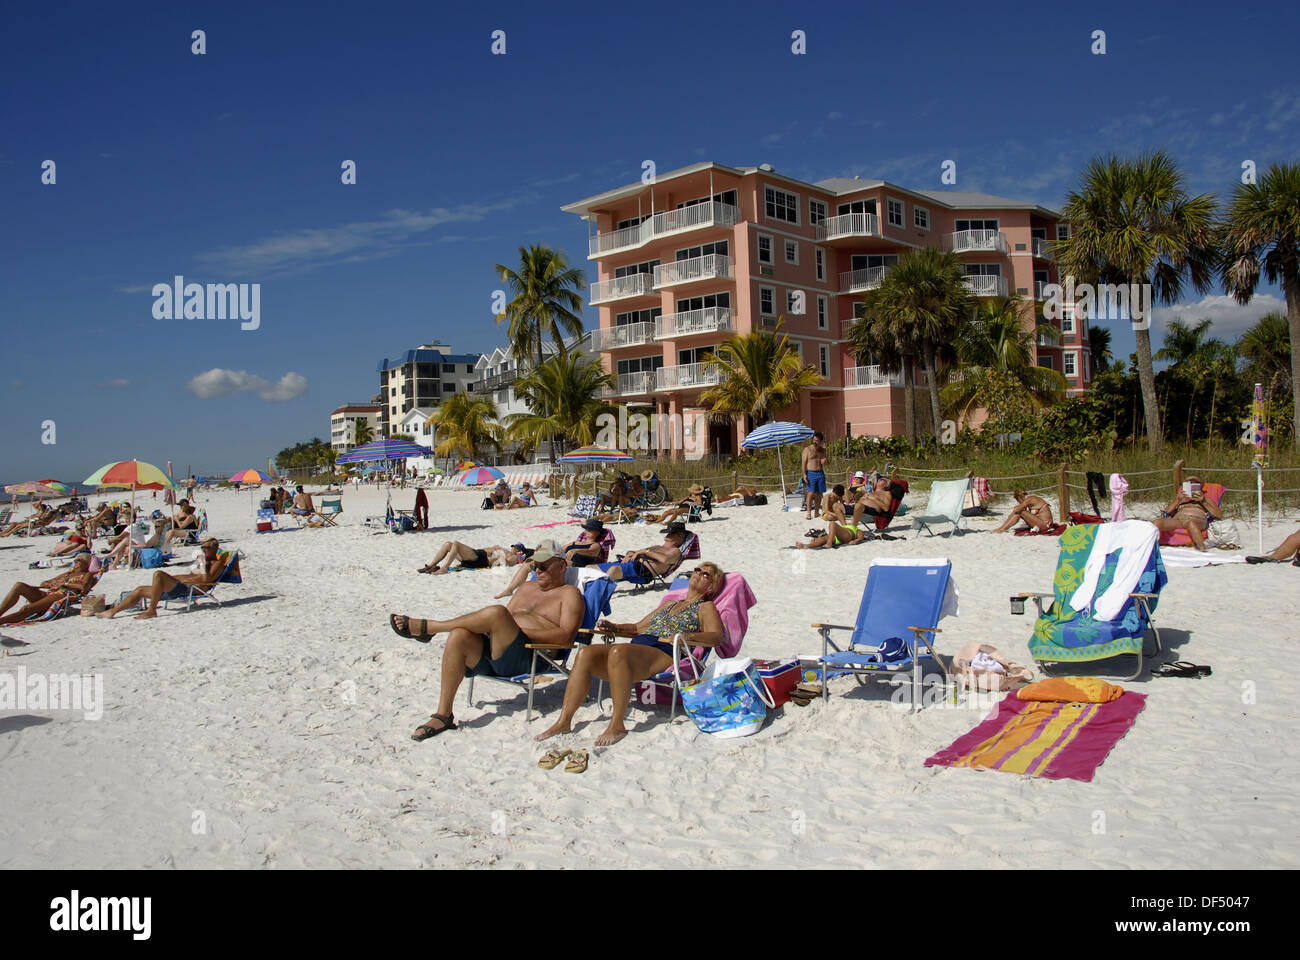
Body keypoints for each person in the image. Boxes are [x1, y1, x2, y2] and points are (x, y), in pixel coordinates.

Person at [390, 540, 585, 740]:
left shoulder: (569, 594)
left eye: (544, 566)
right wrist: (506, 629)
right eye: (535, 566)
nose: (538, 571)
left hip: (529, 656)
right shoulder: (526, 588)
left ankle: (431, 627)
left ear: (562, 566)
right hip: (498, 652)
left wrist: (518, 631)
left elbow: (566, 636)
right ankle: (443, 715)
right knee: (459, 635)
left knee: (498, 613)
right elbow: (505, 622)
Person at [535, 562, 727, 747]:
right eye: (697, 570)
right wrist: (615, 627)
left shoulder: (705, 607)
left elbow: (717, 636)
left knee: (620, 651)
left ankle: (617, 725)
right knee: (586, 652)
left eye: (705, 574)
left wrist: (685, 635)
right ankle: (564, 721)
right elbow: (637, 627)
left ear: (711, 587)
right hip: (636, 650)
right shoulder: (669, 604)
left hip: (664, 652)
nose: (698, 574)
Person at [96, 537, 229, 620]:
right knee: (140, 590)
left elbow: (205, 581)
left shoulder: (217, 563)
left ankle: (151, 610)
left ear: (215, 548)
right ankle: (112, 612)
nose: (204, 550)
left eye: (207, 548)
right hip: (179, 587)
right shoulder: (205, 563)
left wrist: (202, 563)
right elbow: (193, 575)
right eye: (202, 547)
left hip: (189, 589)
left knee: (158, 574)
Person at [0, 553, 98, 626]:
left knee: (26, 609)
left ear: (87, 563)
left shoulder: (87, 575)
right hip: (48, 594)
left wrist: (65, 585)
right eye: (75, 560)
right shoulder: (68, 574)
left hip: (61, 595)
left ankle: (2, 621)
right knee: (19, 585)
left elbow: (83, 588)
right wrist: (51, 583)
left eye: (79, 560)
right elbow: (44, 583)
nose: (76, 562)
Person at [602, 524, 690, 585]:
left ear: (680, 537)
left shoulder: (675, 551)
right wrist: (630, 555)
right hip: (630, 564)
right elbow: (635, 551)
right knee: (591, 569)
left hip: (641, 571)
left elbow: (665, 559)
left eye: (671, 533)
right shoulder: (658, 547)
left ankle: (597, 594)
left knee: (613, 570)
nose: (668, 534)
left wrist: (645, 552)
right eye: (668, 532)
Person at [1151, 476, 1222, 551]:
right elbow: (1166, 513)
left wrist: (1203, 502)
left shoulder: (1206, 500)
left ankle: (1202, 548)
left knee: (1190, 523)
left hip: (1197, 520)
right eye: (1189, 484)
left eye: (1194, 484)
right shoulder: (1181, 499)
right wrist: (1178, 501)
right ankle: (1150, 546)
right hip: (1179, 520)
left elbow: (1219, 515)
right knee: (1156, 522)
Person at [801, 431, 827, 520]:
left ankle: (816, 512)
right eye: (814, 440)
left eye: (817, 441)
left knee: (819, 494)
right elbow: (803, 463)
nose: (815, 442)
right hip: (811, 472)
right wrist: (804, 474)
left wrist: (825, 461)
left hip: (820, 472)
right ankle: (808, 512)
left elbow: (825, 461)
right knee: (811, 493)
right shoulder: (807, 449)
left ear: (821, 441)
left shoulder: (822, 450)